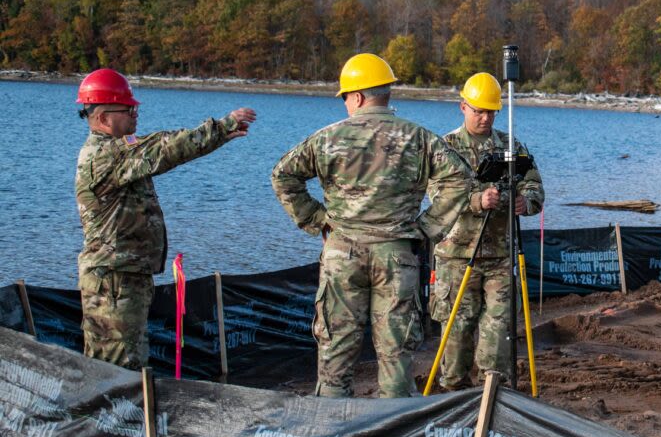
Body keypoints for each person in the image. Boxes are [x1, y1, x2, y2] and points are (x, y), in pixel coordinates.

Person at [271, 53, 476, 398]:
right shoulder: (417, 138)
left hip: (342, 255)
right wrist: (427, 227)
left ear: (358, 97)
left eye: (346, 98)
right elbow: (461, 177)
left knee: (335, 355)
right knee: (396, 359)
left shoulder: (327, 138)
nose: (346, 104)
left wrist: (317, 219)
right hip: (396, 257)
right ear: (386, 94)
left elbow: (283, 176)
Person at [75, 68, 256, 370]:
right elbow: (166, 148)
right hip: (114, 281)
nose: (135, 113)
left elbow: (159, 149)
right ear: (104, 118)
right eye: (128, 108)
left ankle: (125, 415)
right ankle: (119, 417)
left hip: (122, 276)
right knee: (117, 369)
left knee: (123, 363)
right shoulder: (107, 156)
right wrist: (222, 127)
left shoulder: (118, 154)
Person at [429, 72, 545, 390]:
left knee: (498, 331)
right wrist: (476, 200)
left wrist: (527, 201)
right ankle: (452, 393)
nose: (485, 117)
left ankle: (491, 393)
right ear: (463, 107)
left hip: (500, 256)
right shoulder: (446, 148)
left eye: (490, 112)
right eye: (478, 110)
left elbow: (533, 183)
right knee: (457, 331)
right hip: (456, 256)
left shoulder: (509, 147)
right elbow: (437, 195)